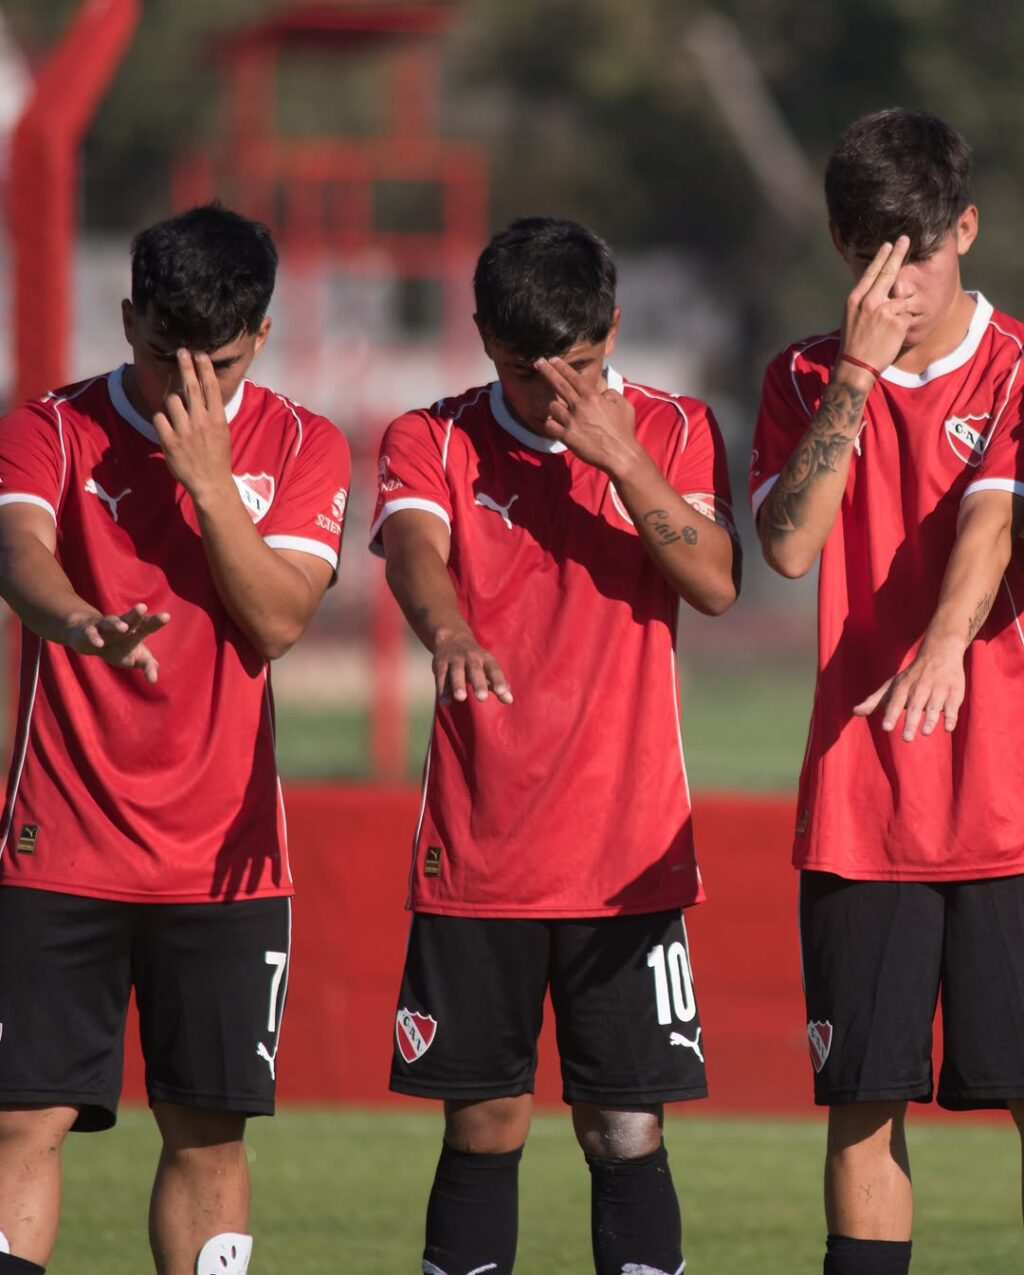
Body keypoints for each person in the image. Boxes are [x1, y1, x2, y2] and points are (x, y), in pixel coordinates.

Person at [370, 216, 740, 1275]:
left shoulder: (673, 427)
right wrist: (448, 630)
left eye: (575, 367)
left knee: (625, 1128)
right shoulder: (431, 437)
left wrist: (620, 458)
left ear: (612, 329)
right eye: (525, 373)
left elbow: (715, 582)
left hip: (626, 854)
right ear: (485, 338)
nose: (551, 396)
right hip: (478, 851)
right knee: (483, 1122)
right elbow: (414, 548)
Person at [0, 203, 350, 1275]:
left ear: (262, 335)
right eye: (163, 358)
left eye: (220, 365)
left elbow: (279, 621)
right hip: (57, 843)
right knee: (22, 1118)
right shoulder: (50, 425)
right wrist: (78, 623)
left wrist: (208, 485)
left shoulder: (306, 443)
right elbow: (17, 550)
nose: (187, 389)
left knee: (207, 1133)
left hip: (223, 859)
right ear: (126, 321)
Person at [751, 107, 1024, 1275]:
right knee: (861, 1106)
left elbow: (992, 520)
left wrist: (945, 644)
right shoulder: (801, 376)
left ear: (965, 228)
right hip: (861, 814)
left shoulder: (1017, 368)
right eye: (873, 256)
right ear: (839, 245)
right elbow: (787, 548)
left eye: (918, 252)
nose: (897, 283)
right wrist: (855, 377)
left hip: (1009, 809)